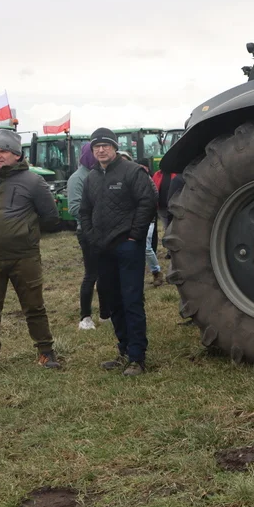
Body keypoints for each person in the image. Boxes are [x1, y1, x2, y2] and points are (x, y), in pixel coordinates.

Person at [79, 128, 157, 376]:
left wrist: (134, 235)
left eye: (105, 145)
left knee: (131, 299)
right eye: (96, 147)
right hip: (103, 249)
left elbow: (148, 202)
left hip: (127, 246)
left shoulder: (132, 171)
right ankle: (123, 349)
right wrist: (91, 237)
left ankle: (137, 357)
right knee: (113, 301)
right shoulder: (91, 178)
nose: (101, 150)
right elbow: (84, 210)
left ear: (114, 147)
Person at [0, 130, 62, 372]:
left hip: (24, 257)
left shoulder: (33, 181)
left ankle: (45, 351)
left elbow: (51, 217)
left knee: (34, 306)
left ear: (17, 155)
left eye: (3, 151)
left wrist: (25, 232)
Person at [67, 142, 102, 329]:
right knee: (91, 275)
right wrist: (100, 213)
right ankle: (85, 317)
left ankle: (105, 314)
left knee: (105, 274)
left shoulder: (98, 174)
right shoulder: (77, 178)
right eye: (94, 152)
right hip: (87, 233)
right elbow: (74, 208)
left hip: (104, 232)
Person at [137, 159, 164, 287]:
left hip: (148, 219)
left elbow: (154, 199)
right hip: (132, 219)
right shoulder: (130, 180)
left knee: (146, 247)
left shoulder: (148, 180)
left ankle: (156, 272)